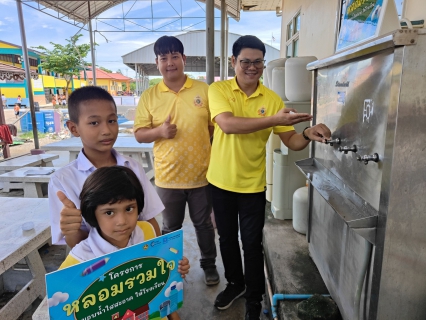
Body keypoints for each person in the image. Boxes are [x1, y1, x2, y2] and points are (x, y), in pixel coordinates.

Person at [207, 35, 331, 320]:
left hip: (252, 185)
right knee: (226, 239)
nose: (252, 67)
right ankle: (235, 284)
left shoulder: (273, 99)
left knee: (251, 244)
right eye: (245, 62)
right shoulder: (219, 90)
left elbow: (292, 142)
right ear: (233, 62)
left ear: (263, 64)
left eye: (258, 62)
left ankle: (253, 299)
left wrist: (307, 135)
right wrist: (275, 120)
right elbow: (227, 125)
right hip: (220, 181)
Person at [133, 35, 219, 286]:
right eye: (163, 58)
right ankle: (171, 270)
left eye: (174, 57)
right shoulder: (149, 96)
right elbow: (139, 133)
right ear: (157, 63)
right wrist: (159, 132)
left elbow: (213, 127)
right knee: (170, 228)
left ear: (184, 59)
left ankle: (209, 265)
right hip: (168, 177)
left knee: (204, 225)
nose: (169, 63)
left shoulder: (203, 90)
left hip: (202, 175)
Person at [59, 166, 189, 320]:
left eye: (129, 209)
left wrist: (174, 269)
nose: (121, 222)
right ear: (92, 213)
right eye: (109, 212)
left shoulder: (146, 230)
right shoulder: (79, 260)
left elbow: (161, 289)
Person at [48, 86, 164, 249]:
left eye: (112, 121)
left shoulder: (132, 168)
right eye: (94, 123)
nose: (106, 130)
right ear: (74, 128)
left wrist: (160, 253)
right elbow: (76, 243)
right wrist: (71, 230)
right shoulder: (62, 181)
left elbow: (149, 219)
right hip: (97, 268)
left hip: (138, 260)